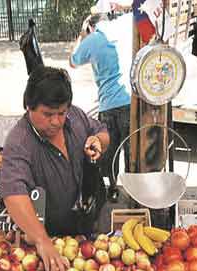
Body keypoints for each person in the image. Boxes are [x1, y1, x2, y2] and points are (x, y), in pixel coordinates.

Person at [0, 66, 111, 271]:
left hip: (90, 219)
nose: (56, 121)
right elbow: (13, 193)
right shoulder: (19, 142)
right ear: (29, 107)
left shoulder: (75, 116)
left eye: (61, 113)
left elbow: (101, 131)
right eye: (48, 114)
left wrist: (98, 141)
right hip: (54, 237)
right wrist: (42, 240)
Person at [70, 12, 131, 200]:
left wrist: (81, 37)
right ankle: (134, 192)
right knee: (131, 149)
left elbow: (73, 62)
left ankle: (112, 189)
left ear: (90, 27)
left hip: (109, 104)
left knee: (109, 150)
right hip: (130, 101)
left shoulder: (93, 38)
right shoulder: (122, 32)